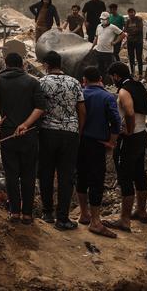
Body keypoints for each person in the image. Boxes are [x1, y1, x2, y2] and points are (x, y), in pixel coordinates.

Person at [0, 52, 46, 224]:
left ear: (6, 64)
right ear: (22, 64)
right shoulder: (33, 81)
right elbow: (41, 107)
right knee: (28, 174)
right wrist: (26, 124)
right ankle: (27, 214)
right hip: (29, 133)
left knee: (11, 174)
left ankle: (14, 213)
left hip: (8, 134)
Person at [37, 51, 84, 230]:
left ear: (47, 65)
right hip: (70, 133)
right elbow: (82, 110)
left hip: (48, 133)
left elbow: (38, 108)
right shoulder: (74, 82)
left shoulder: (42, 83)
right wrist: (78, 130)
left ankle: (47, 212)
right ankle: (63, 218)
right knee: (66, 176)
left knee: (46, 173)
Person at [104, 62, 147, 231]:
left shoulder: (124, 91)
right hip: (142, 135)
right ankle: (141, 211)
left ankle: (124, 220)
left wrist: (128, 130)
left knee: (125, 176)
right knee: (140, 173)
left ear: (116, 76)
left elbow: (130, 112)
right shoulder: (138, 86)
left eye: (112, 77)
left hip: (130, 139)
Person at [76, 66, 122, 238]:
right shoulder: (107, 97)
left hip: (80, 142)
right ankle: (96, 221)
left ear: (85, 80)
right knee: (96, 180)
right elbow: (116, 121)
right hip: (97, 143)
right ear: (101, 79)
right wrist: (112, 141)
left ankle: (83, 214)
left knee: (81, 176)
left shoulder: (80, 93)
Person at [92, 13, 124, 79]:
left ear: (108, 19)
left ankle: (110, 81)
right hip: (99, 50)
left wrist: (115, 42)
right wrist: (92, 47)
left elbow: (122, 34)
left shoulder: (112, 27)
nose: (102, 20)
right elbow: (96, 37)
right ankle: (101, 80)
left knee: (109, 67)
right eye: (101, 19)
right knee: (100, 67)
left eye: (104, 19)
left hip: (108, 52)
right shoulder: (99, 26)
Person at [124, 8, 145, 78]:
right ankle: (132, 72)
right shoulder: (127, 21)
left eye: (132, 12)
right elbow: (125, 30)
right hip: (130, 42)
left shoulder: (139, 19)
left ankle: (140, 73)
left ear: (134, 13)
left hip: (138, 41)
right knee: (131, 58)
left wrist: (130, 32)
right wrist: (131, 32)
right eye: (129, 13)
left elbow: (139, 29)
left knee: (139, 57)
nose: (131, 14)